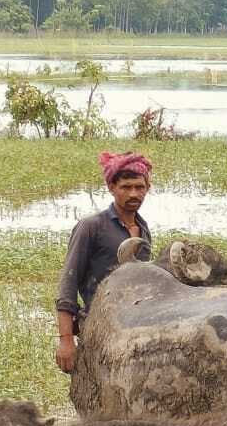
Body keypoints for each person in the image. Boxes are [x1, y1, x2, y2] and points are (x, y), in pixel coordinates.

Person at [55, 152, 154, 373]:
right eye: (126, 187)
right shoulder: (91, 226)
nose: (134, 193)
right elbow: (68, 285)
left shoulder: (143, 228)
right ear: (111, 187)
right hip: (99, 326)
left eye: (139, 187)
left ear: (148, 188)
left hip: (133, 326)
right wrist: (66, 340)